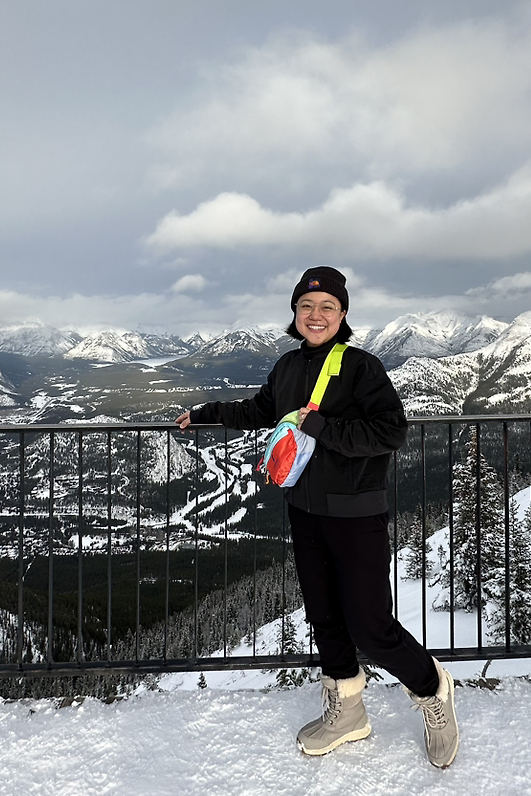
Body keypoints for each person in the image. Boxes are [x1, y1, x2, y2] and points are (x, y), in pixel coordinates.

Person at [177, 265, 459, 768]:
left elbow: (391, 432)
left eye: (327, 306)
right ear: (294, 312)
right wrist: (205, 414)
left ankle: (432, 689)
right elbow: (260, 410)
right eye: (306, 305)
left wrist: (324, 427)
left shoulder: (361, 367)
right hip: (304, 511)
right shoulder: (288, 367)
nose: (316, 314)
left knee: (371, 626)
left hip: (356, 516)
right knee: (325, 618)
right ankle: (348, 711)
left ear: (342, 314)